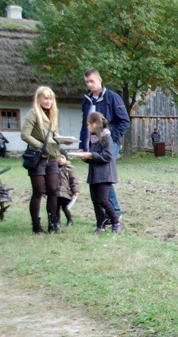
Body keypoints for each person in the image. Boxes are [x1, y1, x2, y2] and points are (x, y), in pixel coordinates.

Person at [79, 68, 130, 225]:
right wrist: (82, 145)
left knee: (104, 177)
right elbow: (84, 124)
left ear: (99, 79)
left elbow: (125, 122)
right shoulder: (87, 100)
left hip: (109, 143)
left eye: (92, 81)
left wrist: (111, 138)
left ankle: (114, 213)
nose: (90, 84)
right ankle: (106, 215)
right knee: (97, 178)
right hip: (92, 144)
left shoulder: (112, 98)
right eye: (87, 82)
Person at [21, 86, 66, 233]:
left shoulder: (53, 114)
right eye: (45, 98)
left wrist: (62, 144)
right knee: (39, 191)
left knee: (53, 190)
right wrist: (41, 146)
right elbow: (25, 135)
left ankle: (53, 224)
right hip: (37, 157)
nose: (48, 101)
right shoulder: (33, 113)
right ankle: (36, 225)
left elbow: (54, 136)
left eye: (50, 98)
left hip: (51, 157)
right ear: (39, 99)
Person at [77, 112, 122, 234]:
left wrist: (91, 154)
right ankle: (100, 226)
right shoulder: (93, 137)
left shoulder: (106, 137)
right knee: (95, 201)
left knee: (103, 200)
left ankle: (116, 222)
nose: (87, 127)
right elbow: (95, 157)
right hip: (94, 174)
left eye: (88, 124)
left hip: (105, 174)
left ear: (95, 124)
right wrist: (85, 158)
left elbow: (107, 156)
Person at [57, 149, 80, 227]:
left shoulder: (69, 169)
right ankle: (57, 221)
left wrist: (75, 190)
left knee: (65, 207)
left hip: (65, 193)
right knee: (56, 208)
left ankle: (69, 220)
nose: (60, 159)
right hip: (55, 192)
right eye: (58, 157)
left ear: (66, 159)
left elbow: (74, 180)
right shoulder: (53, 168)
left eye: (62, 157)